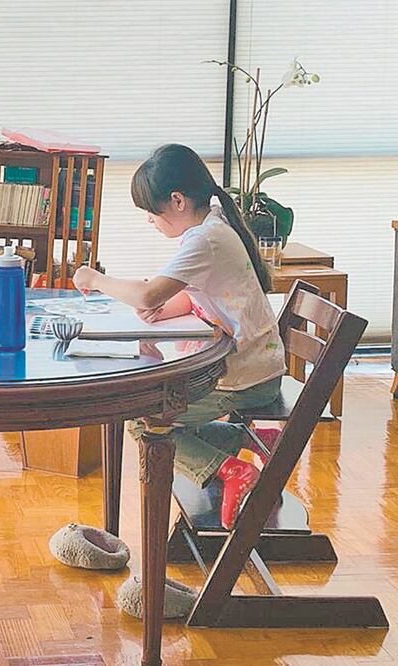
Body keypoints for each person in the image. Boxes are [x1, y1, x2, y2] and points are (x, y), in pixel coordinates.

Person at [73, 144, 285, 529]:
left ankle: (231, 469)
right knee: (166, 413)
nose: (150, 221)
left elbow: (149, 292)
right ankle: (253, 442)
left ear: (176, 201)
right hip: (257, 367)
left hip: (246, 380)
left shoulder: (204, 240)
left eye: (151, 212)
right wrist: (166, 308)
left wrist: (93, 278)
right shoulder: (214, 226)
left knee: (143, 417)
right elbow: (197, 294)